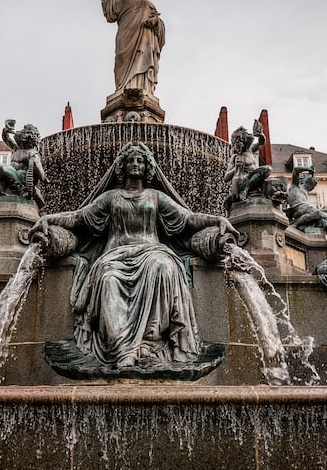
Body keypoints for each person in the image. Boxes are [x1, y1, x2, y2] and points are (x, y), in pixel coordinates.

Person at [29, 142, 238, 368]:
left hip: (152, 252)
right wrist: (49, 219)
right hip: (115, 256)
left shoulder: (156, 196)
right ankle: (122, 350)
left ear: (148, 167)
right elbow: (79, 217)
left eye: (140, 160)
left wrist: (217, 220)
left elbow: (188, 218)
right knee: (107, 279)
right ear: (123, 166)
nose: (135, 164)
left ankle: (149, 344)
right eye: (131, 160)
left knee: (164, 268)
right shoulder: (111, 197)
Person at [98, 0, 165, 95]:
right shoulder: (123, 0)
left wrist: (155, 22)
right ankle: (122, 90)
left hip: (143, 41)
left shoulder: (149, 4)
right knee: (121, 61)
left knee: (142, 61)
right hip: (125, 38)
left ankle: (143, 89)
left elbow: (159, 27)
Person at [0, 121, 47, 207]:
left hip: (22, 180)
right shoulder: (17, 149)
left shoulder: (32, 153)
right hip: (10, 177)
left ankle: (21, 190)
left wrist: (41, 174)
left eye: (23, 132)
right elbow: (6, 139)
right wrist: (6, 131)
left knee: (0, 167)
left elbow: (41, 174)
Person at [224, 121, 273, 208]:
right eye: (246, 134)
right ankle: (245, 190)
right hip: (244, 181)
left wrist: (260, 134)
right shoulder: (235, 157)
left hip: (257, 180)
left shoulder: (250, 150)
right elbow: (226, 177)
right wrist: (236, 168)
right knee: (267, 169)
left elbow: (261, 143)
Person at [286, 166, 327, 231]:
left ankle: (325, 225)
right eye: (310, 185)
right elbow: (295, 170)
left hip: (304, 209)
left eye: (312, 186)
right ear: (304, 181)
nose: (311, 188)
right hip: (296, 208)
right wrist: (308, 169)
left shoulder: (305, 192)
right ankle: (295, 225)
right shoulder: (296, 185)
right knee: (316, 212)